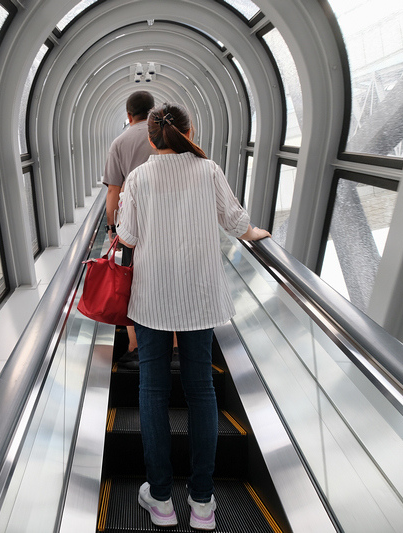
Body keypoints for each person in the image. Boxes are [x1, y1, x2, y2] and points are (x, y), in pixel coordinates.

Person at [116, 103, 270, 530]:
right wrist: (255, 234)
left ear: (151, 138)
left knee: (152, 392)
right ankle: (202, 503)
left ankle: (161, 499)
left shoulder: (140, 176)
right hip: (200, 300)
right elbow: (236, 221)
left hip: (151, 300)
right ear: (189, 131)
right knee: (202, 393)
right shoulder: (208, 170)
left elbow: (127, 236)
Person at [102, 90, 155, 363]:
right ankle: (173, 345)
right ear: (153, 111)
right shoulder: (165, 137)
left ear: (128, 115)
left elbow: (113, 191)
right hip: (166, 223)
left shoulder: (120, 143)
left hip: (132, 226)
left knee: (131, 284)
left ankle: (135, 347)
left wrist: (112, 227)